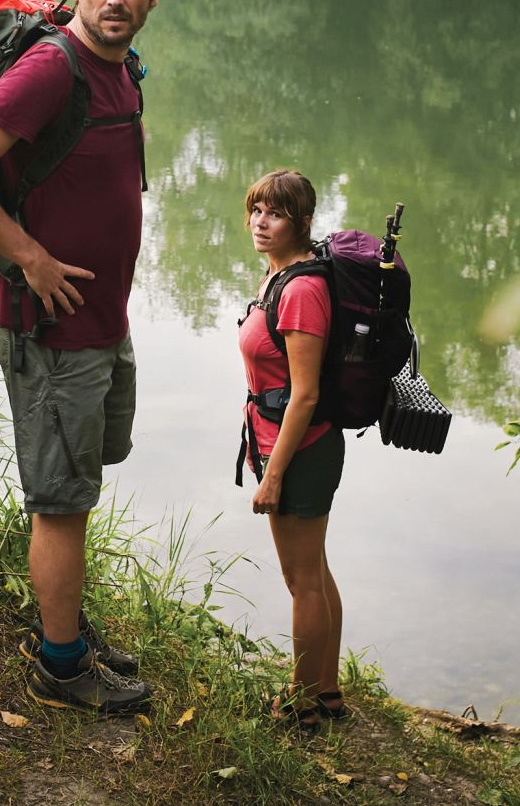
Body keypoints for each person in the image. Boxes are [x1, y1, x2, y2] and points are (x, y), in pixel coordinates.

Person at [0, 0, 168, 715]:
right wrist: (28, 254)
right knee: (60, 503)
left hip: (101, 320)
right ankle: (61, 666)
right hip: (49, 326)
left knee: (80, 488)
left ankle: (66, 624)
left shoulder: (123, 66)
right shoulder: (53, 69)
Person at [237, 169, 351, 731]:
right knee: (315, 569)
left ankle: (301, 704)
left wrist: (273, 475)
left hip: (300, 449)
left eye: (274, 214)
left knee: (301, 579)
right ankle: (327, 692)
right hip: (281, 442)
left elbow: (304, 394)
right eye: (256, 210)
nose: (261, 223)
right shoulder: (278, 275)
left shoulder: (302, 290)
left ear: (301, 222)